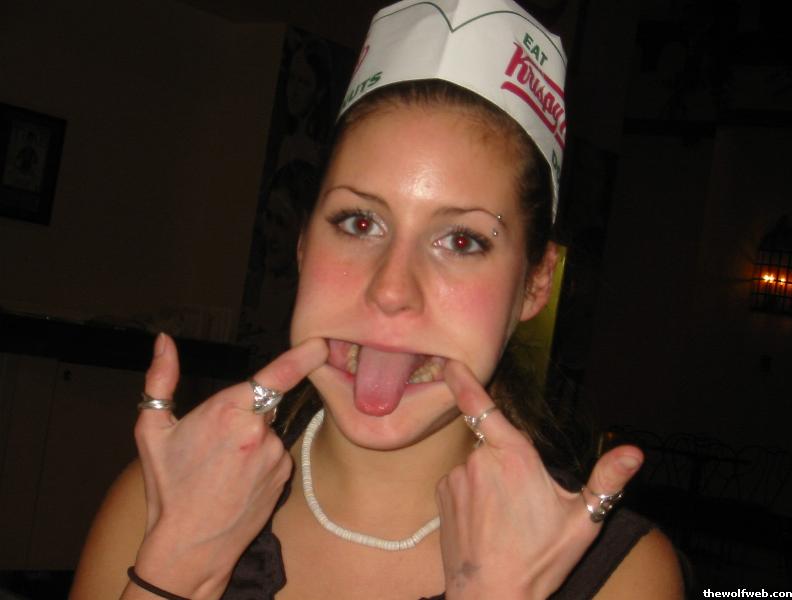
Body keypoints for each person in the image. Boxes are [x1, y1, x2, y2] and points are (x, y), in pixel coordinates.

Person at [70, 1, 685, 598]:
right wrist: (173, 572)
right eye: (359, 223)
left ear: (536, 282)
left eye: (462, 240)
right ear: (304, 243)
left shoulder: (623, 579)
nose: (390, 289)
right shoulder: (162, 502)